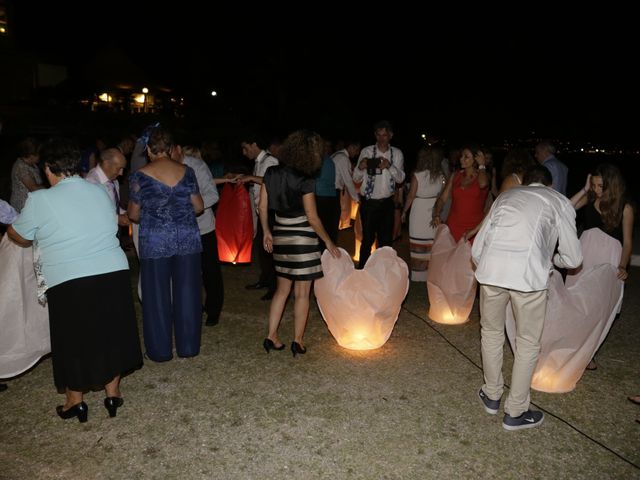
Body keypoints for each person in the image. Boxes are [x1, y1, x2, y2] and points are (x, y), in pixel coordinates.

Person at [7, 138, 143, 423]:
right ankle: (113, 394)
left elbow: (19, 235)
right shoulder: (98, 192)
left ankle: (75, 402)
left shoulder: (41, 199)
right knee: (110, 331)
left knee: (73, 338)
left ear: (48, 169)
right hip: (112, 272)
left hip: (70, 278)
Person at [471, 165, 582, 430]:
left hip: (492, 273)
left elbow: (477, 249)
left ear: (524, 182)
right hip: (528, 278)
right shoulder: (558, 201)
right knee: (528, 344)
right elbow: (574, 258)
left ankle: (492, 394)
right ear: (549, 185)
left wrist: (489, 267)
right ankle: (516, 412)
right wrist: (553, 259)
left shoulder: (505, 197)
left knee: (491, 333)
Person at [259, 130, 340, 356]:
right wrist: (329, 242)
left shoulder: (270, 172)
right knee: (302, 293)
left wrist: (266, 231)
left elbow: (262, 206)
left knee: (281, 291)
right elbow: (312, 217)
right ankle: (297, 341)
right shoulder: (306, 178)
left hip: (280, 234)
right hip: (302, 237)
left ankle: (271, 336)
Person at [127, 127, 204, 362]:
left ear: (149, 149)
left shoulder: (139, 176)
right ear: (171, 149)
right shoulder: (187, 171)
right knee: (188, 293)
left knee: (156, 295)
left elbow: (133, 213)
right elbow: (199, 207)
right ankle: (188, 347)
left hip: (155, 241)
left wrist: (154, 216)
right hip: (187, 240)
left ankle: (160, 351)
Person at [570, 163, 634, 370]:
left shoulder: (625, 208)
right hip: (585, 254)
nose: (596, 190)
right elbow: (566, 208)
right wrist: (584, 189)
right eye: (594, 185)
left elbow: (627, 242)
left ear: (612, 186)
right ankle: (572, 347)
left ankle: (588, 353)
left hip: (608, 259)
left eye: (600, 186)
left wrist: (623, 265)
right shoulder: (589, 198)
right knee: (577, 303)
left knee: (599, 308)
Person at [172, 142, 225, 327]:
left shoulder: (197, 166)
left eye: (170, 152)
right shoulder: (167, 169)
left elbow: (213, 194)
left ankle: (213, 309)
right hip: (180, 230)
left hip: (203, 228)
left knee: (210, 272)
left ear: (178, 148)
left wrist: (188, 208)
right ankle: (193, 306)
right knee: (188, 272)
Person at [352, 120, 405, 268]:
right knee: (367, 239)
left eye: (385, 135)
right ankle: (363, 271)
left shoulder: (397, 153)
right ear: (375, 135)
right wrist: (361, 168)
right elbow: (356, 178)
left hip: (387, 203)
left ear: (391, 136)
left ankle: (383, 272)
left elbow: (400, 178)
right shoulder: (367, 151)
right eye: (379, 135)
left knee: (386, 241)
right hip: (369, 203)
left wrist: (389, 166)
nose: (382, 138)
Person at [238, 133, 279, 300]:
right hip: (260, 210)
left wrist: (250, 178)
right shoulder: (259, 162)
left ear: (254, 144)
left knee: (271, 250)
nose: (244, 152)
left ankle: (274, 286)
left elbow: (273, 181)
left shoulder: (270, 161)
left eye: (245, 148)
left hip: (269, 210)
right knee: (263, 250)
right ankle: (265, 280)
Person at [402, 146, 446, 281]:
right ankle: (430, 275)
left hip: (419, 209)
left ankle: (418, 276)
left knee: (418, 242)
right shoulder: (441, 176)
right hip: (433, 209)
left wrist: (404, 211)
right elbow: (442, 195)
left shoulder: (417, 175)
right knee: (431, 242)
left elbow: (410, 196)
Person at [431, 145, 489, 243]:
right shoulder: (455, 176)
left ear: (476, 159)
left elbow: (483, 185)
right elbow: (442, 199)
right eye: (461, 156)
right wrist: (437, 214)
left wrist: (482, 165)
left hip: (472, 230)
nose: (461, 159)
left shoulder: (483, 176)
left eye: (466, 157)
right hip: (453, 226)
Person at [85, 148, 130, 227]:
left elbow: (113, 207)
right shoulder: (92, 183)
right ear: (106, 164)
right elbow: (91, 214)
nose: (121, 173)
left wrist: (125, 213)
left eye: (123, 169)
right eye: (119, 168)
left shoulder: (113, 180)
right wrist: (117, 219)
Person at [10, 137, 43, 212]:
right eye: (38, 154)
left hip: (31, 203)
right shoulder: (21, 168)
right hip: (23, 206)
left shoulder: (32, 164)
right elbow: (33, 188)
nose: (40, 156)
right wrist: (53, 189)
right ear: (31, 156)